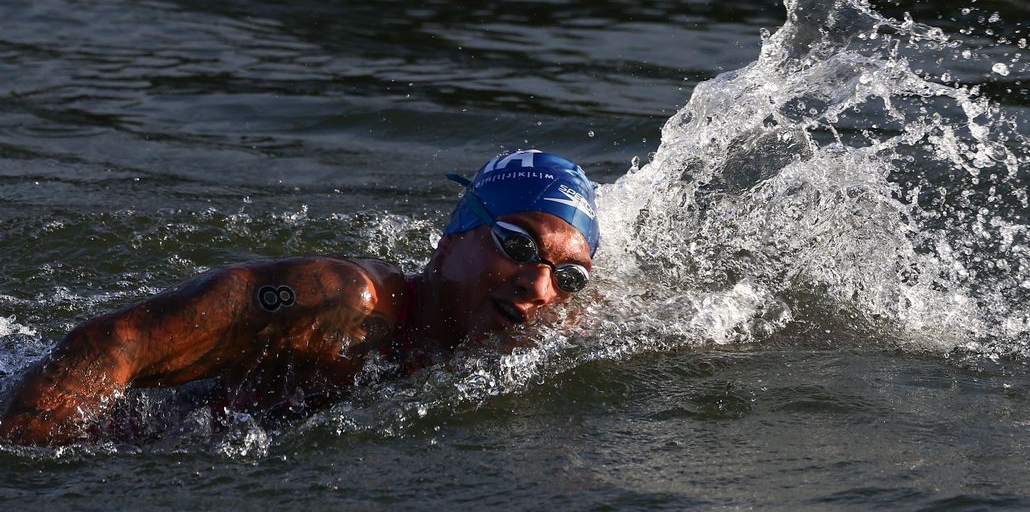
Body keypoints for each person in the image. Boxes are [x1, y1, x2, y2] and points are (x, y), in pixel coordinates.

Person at [0, 150, 600, 446]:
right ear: (451, 241)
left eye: (568, 276)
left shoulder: (534, 337)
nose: (539, 285)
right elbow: (117, 344)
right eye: (517, 245)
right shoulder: (343, 303)